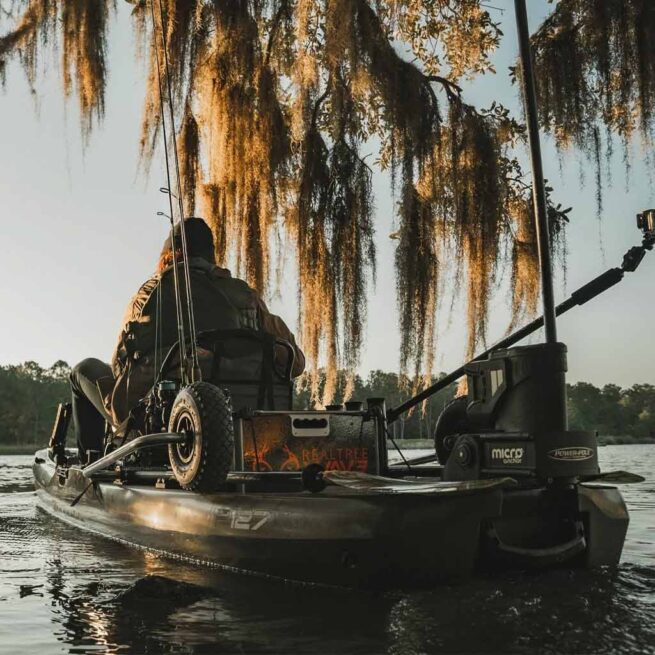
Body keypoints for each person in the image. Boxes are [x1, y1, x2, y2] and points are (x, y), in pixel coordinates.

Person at [69, 217, 305, 462]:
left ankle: (92, 463)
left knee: (82, 371)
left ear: (171, 255)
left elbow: (121, 365)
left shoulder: (150, 294)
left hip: (162, 423)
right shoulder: (246, 296)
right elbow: (295, 363)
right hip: (245, 419)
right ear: (211, 255)